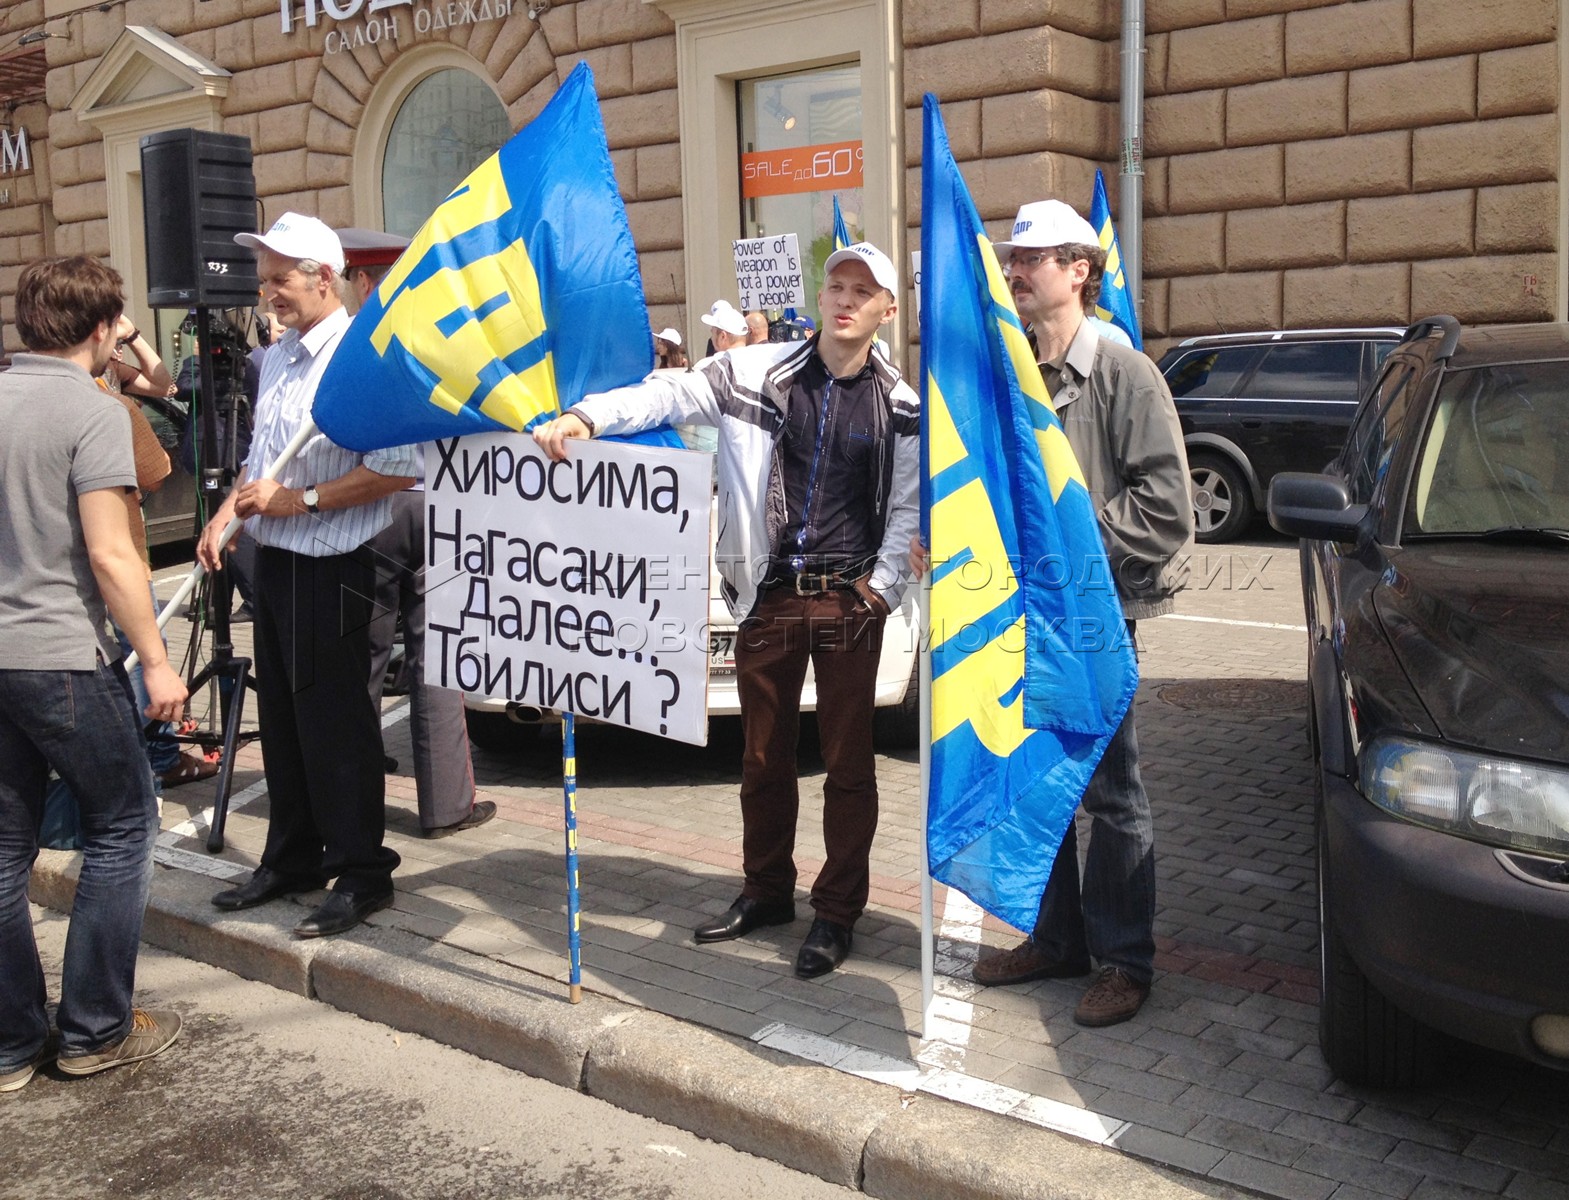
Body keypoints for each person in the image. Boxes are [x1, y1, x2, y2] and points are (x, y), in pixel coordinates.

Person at [534, 242, 919, 980]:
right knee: (762, 758)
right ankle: (766, 891)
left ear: (884, 309)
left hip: (848, 602)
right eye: (834, 285)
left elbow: (904, 510)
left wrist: (878, 593)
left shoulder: (899, 403)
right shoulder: (753, 372)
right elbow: (667, 393)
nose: (844, 299)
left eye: (860, 290)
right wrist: (586, 417)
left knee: (846, 767)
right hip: (768, 597)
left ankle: (837, 913)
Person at [971, 199, 1192, 1027]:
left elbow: (1167, 509)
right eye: (1013, 259)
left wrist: (1066, 549)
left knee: (1111, 788)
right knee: (1043, 781)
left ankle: (1124, 962)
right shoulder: (1017, 367)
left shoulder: (1122, 371)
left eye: (1035, 259)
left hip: (1096, 613)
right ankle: (1056, 940)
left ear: (1080, 273)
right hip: (1022, 614)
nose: (1017, 272)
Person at [199, 213, 416, 938]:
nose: (268, 295)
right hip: (280, 559)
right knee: (286, 723)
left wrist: (300, 501)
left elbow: (396, 467)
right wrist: (229, 509)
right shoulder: (284, 357)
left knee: (338, 727)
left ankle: (362, 869)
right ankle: (293, 856)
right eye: (264, 281)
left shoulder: (362, 357)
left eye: (280, 280)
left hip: (339, 559)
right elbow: (262, 460)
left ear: (324, 277)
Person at [0, 255, 189, 1090]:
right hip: (60, 657)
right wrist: (157, 663)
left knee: (3, 849)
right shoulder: (92, 410)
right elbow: (114, 555)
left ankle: (9, 1045)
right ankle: (92, 1028)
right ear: (105, 330)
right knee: (123, 825)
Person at [339, 230, 491, 841]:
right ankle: (447, 805)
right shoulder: (447, 339)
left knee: (362, 664)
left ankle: (353, 808)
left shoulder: (353, 346)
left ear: (367, 283)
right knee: (437, 659)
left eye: (355, 279)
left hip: (373, 507)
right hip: (439, 504)